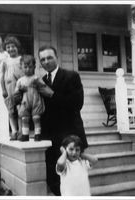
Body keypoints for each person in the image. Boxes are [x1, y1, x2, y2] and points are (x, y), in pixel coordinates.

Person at [37, 45, 88, 195]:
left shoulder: (71, 76)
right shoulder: (41, 81)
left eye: (49, 57)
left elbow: (77, 104)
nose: (46, 61)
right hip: (51, 138)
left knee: (74, 181)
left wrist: (52, 94)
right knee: (53, 179)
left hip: (70, 136)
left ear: (56, 57)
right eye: (42, 59)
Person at [15, 55, 45, 142]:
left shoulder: (37, 78)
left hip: (36, 99)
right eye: (25, 67)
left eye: (30, 67)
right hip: (25, 100)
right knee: (24, 118)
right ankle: (25, 135)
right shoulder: (20, 80)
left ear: (34, 67)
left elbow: (44, 88)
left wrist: (38, 85)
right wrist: (19, 93)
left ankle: (37, 134)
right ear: (21, 67)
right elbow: (16, 93)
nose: (28, 69)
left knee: (36, 117)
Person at [0, 36, 24, 140]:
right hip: (8, 87)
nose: (11, 49)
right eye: (8, 47)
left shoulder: (21, 59)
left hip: (18, 88)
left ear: (17, 47)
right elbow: (2, 76)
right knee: (11, 111)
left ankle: (21, 131)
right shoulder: (5, 61)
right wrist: (3, 89)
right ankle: (13, 131)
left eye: (13, 46)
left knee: (20, 110)